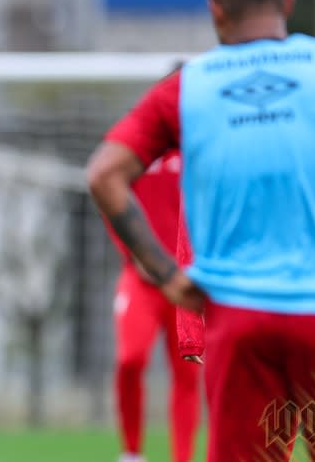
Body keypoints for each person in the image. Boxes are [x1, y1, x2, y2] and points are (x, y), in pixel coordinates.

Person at [86, 0, 315, 461]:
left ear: (216, 9)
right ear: (287, 2)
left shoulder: (186, 88)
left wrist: (164, 275)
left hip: (238, 320)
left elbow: (104, 174)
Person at [103, 150, 200, 462]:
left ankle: (182, 458)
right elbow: (108, 192)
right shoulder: (136, 149)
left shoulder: (196, 145)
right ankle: (132, 454)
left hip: (185, 282)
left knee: (188, 370)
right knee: (130, 359)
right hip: (141, 279)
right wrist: (135, 253)